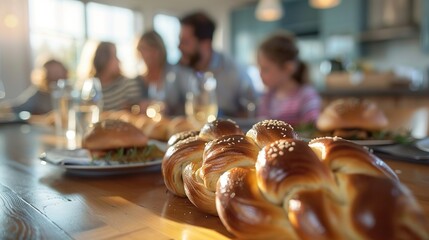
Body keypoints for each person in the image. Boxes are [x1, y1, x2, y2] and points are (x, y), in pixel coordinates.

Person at [178, 11, 256, 118]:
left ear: (205, 44)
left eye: (185, 42)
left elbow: (252, 112)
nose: (179, 47)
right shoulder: (181, 70)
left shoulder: (235, 72)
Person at [257, 31, 321, 127]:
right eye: (260, 68)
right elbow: (261, 126)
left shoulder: (306, 96)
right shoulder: (268, 96)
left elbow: (312, 128)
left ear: (288, 68)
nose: (260, 74)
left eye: (266, 69)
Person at [135, 30, 191, 116]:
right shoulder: (138, 80)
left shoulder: (177, 73)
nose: (149, 55)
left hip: (174, 125)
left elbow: (191, 102)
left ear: (160, 50)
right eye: (143, 49)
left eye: (152, 50)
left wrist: (170, 108)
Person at [0, 59, 68, 115]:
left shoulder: (70, 92)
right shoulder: (39, 93)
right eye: (53, 73)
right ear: (44, 75)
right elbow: (17, 107)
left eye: (59, 72)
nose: (57, 76)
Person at [89, 41, 141, 111]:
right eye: (115, 56)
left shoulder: (128, 85)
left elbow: (136, 112)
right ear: (103, 60)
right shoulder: (91, 88)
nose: (119, 61)